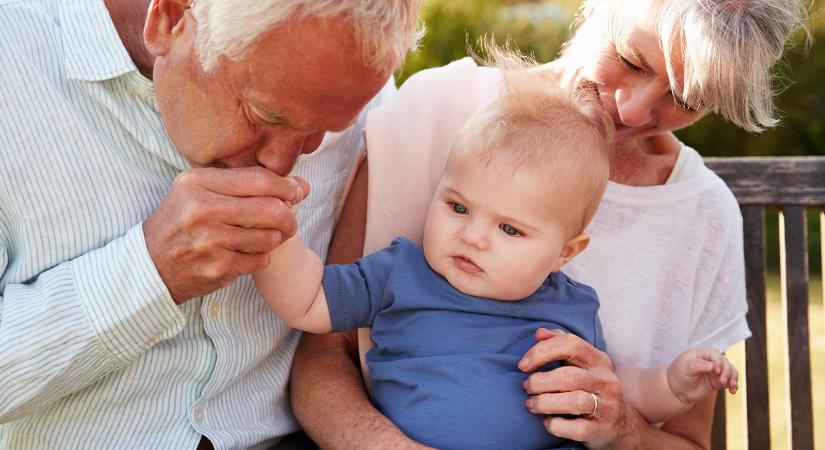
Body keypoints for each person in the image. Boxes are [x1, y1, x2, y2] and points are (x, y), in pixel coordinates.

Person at [289, 0, 808, 448]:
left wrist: (624, 429)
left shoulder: (701, 213)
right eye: (630, 59)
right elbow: (322, 354)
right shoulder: (439, 112)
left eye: (687, 99)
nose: (632, 109)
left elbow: (689, 442)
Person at [0, 0, 420, 448]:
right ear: (171, 19)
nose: (281, 163)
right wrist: (151, 270)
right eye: (264, 116)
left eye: (323, 132)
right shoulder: (14, 54)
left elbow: (351, 340)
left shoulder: (348, 74)